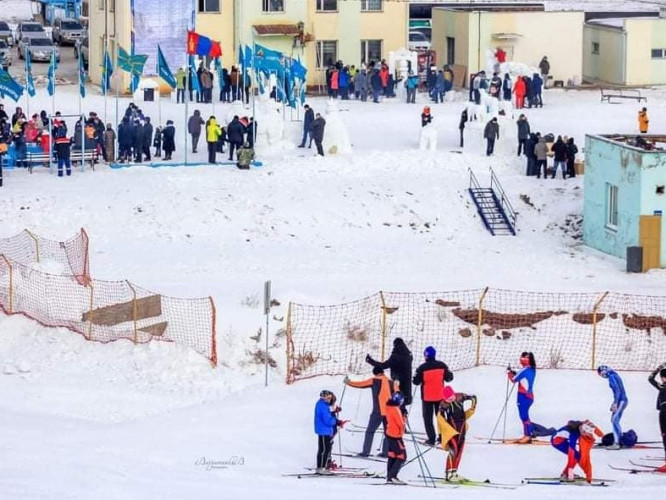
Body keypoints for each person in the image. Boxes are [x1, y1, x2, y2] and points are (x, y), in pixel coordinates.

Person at [344, 367, 398, 457]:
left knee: (370, 431)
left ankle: (366, 452)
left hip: (378, 411)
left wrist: (348, 382)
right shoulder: (391, 382)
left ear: (375, 373)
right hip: (390, 411)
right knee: (388, 433)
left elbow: (360, 384)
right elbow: (398, 393)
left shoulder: (374, 380)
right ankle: (385, 453)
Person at [413, 346, 454, 445]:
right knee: (440, 417)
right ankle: (442, 437)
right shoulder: (442, 365)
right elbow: (449, 378)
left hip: (427, 397)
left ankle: (431, 438)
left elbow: (415, 381)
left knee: (428, 418)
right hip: (440, 397)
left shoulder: (422, 368)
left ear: (425, 356)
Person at [437, 386, 477, 482]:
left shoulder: (460, 396)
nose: (450, 400)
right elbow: (440, 420)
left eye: (451, 398)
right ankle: (448, 474)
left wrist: (473, 406)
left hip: (462, 428)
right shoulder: (443, 405)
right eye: (448, 399)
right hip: (451, 431)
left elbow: (473, 397)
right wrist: (440, 435)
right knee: (453, 450)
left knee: (460, 450)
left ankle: (454, 472)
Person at [366, 338, 413, 406]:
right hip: (407, 387)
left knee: (396, 406)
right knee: (403, 407)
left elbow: (384, 365)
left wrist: (370, 361)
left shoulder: (395, 356)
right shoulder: (409, 356)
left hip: (397, 385)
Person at [508, 352, 536, 443]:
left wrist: (509, 373)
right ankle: (529, 433)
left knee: (524, 416)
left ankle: (527, 435)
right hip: (529, 396)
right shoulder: (532, 369)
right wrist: (514, 373)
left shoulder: (524, 370)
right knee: (525, 415)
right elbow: (522, 377)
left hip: (523, 396)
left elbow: (514, 379)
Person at [597, 365, 628, 449]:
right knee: (615, 420)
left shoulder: (612, 377)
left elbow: (617, 390)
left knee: (614, 420)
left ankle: (617, 443)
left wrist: (615, 403)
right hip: (621, 400)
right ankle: (620, 439)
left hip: (621, 401)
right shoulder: (614, 375)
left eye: (601, 374)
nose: (602, 376)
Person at [314, 390, 342, 475]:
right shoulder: (322, 406)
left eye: (330, 398)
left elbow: (329, 414)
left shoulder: (324, 404)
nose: (329, 400)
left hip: (325, 430)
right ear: (323, 397)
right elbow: (327, 420)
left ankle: (322, 466)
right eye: (328, 398)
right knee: (325, 450)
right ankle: (321, 468)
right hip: (324, 430)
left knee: (325, 449)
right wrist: (337, 421)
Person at [384, 392, 407, 485]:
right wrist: (404, 418)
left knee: (392, 455)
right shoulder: (395, 409)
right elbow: (400, 424)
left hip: (390, 433)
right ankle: (392, 476)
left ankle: (390, 476)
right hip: (395, 435)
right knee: (402, 456)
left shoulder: (389, 407)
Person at [648, 363, 666, 470]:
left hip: (664, 412)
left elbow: (650, 379)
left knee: (665, 436)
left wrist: (658, 368)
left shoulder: (662, 386)